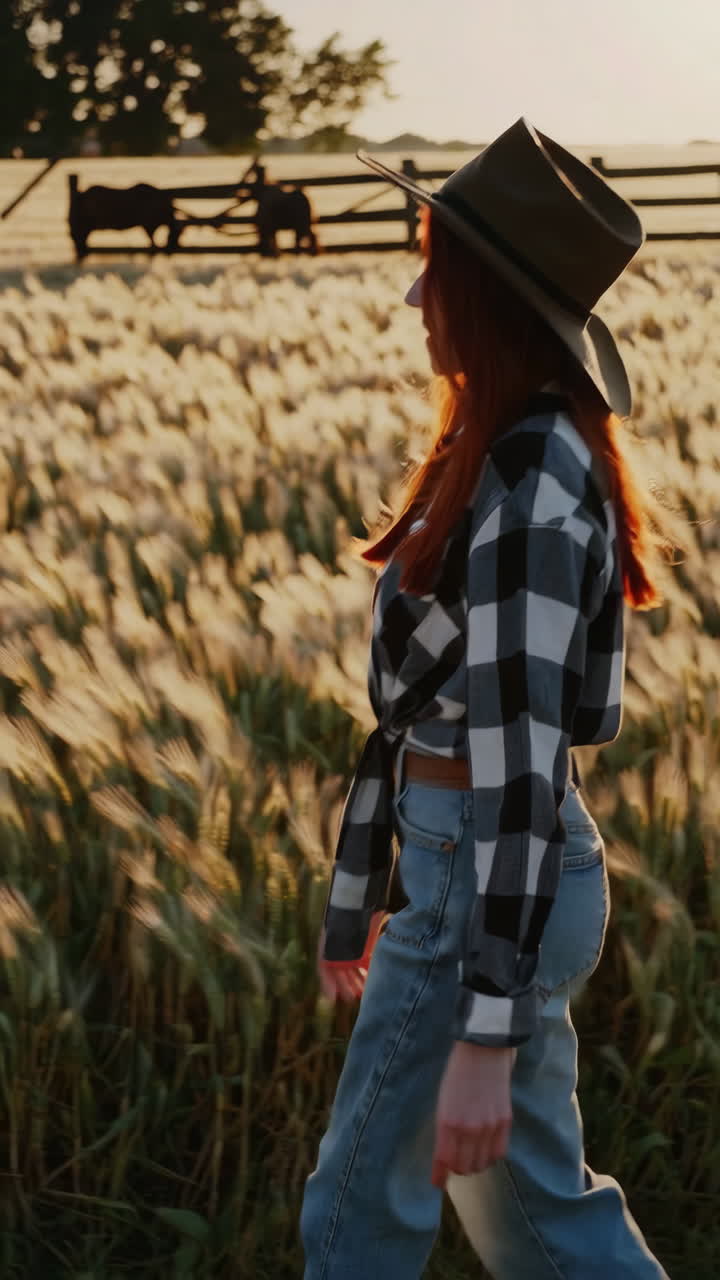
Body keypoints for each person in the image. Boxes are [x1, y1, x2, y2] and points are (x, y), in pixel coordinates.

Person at [299, 117, 670, 1280]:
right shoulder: (509, 447)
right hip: (471, 867)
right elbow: (439, 726)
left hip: (481, 888)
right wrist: (367, 890)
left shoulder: (532, 479)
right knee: (536, 1219)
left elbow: (517, 767)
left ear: (490, 296)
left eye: (435, 265)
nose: (415, 293)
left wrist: (485, 1025)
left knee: (353, 1211)